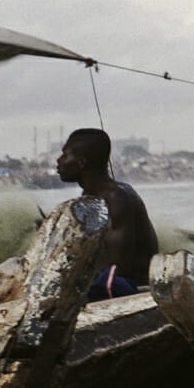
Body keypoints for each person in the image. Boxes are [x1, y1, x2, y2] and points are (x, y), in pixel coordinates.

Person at [56, 128, 159, 299]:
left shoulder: (117, 198)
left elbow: (117, 269)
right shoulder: (90, 198)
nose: (59, 161)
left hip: (131, 287)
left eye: (65, 155)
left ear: (81, 162)